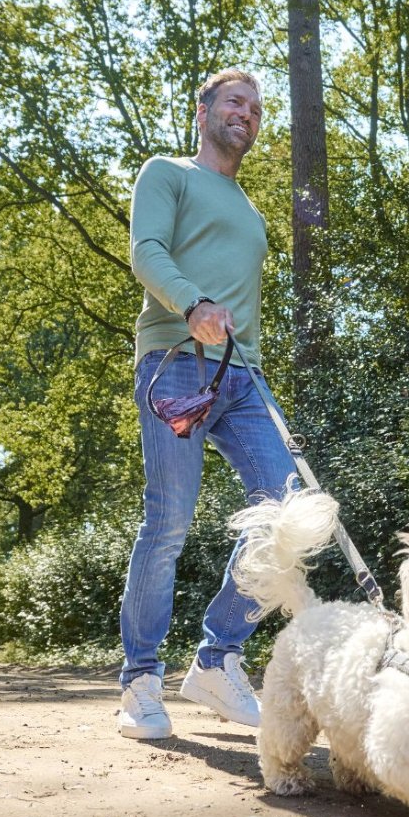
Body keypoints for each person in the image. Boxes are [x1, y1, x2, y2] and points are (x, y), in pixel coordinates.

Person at [116, 69, 300, 741]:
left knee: (287, 514)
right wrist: (191, 303)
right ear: (202, 112)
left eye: (255, 107)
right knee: (169, 520)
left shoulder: (250, 210)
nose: (246, 113)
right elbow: (146, 251)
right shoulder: (167, 173)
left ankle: (218, 657)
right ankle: (139, 679)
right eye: (233, 101)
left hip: (243, 375)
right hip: (175, 362)